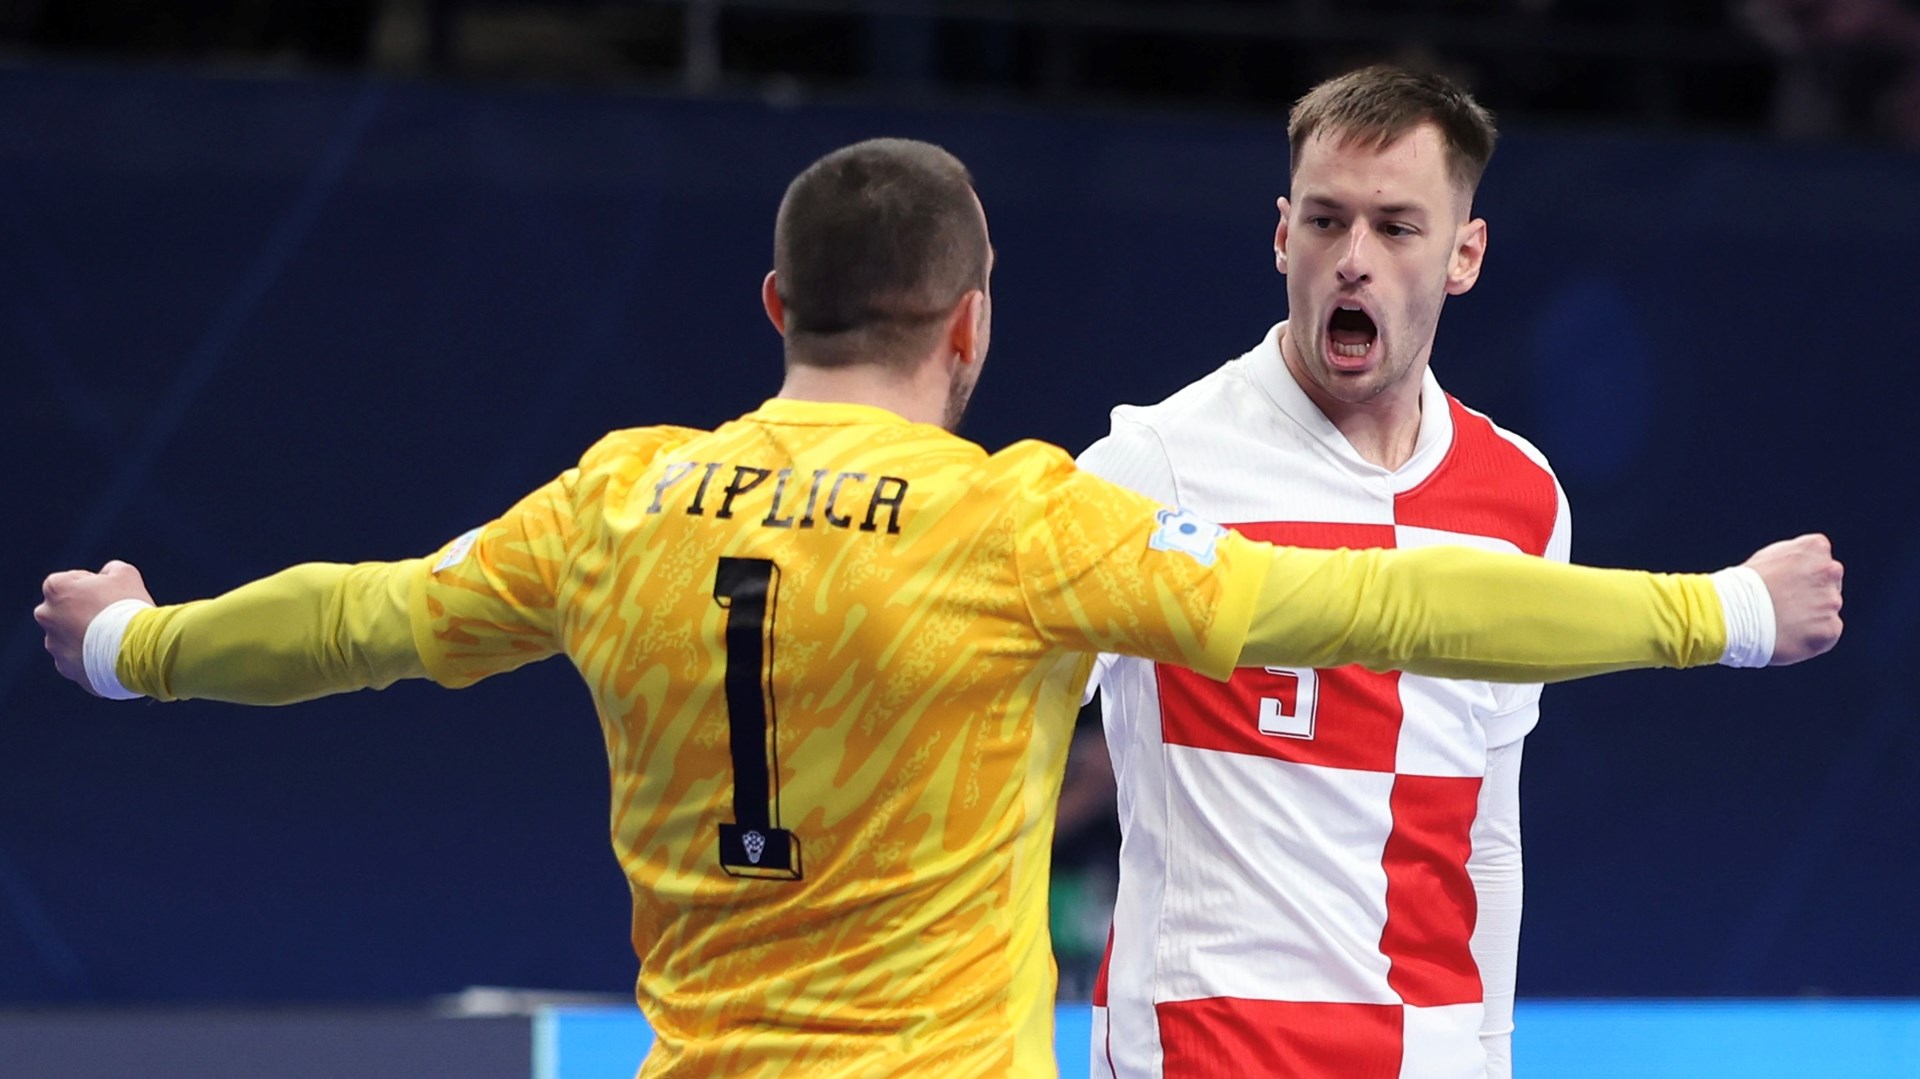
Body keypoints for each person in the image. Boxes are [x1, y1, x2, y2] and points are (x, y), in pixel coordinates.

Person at [35, 137, 1841, 1079]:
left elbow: (359, 621)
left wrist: (137, 643)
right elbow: (1396, 607)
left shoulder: (617, 501)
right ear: (970, 326)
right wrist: (1722, 614)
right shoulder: (1019, 526)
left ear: (776, 304)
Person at [1075, 65, 1758, 1079]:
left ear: (1462, 254)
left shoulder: (1522, 496)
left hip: (1427, 1051)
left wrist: (1491, 1051)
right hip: (1200, 1050)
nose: (1353, 260)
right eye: (1325, 221)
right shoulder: (1152, 467)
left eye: (1396, 227)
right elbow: (1005, 740)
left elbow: (1487, 827)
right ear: (1282, 236)